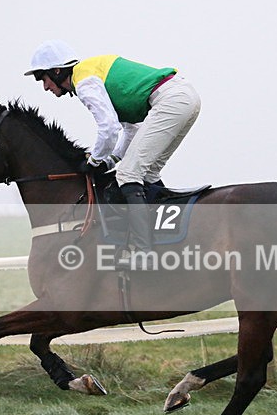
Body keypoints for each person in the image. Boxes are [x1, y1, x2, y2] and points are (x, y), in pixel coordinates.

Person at [24, 40, 201, 271]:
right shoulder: (91, 74)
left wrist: (94, 161)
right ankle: (163, 240)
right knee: (146, 173)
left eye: (42, 78)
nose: (45, 87)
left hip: (171, 100)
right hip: (183, 98)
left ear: (56, 71)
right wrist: (109, 160)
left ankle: (143, 252)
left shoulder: (84, 80)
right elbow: (130, 129)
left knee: (128, 174)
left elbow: (108, 128)